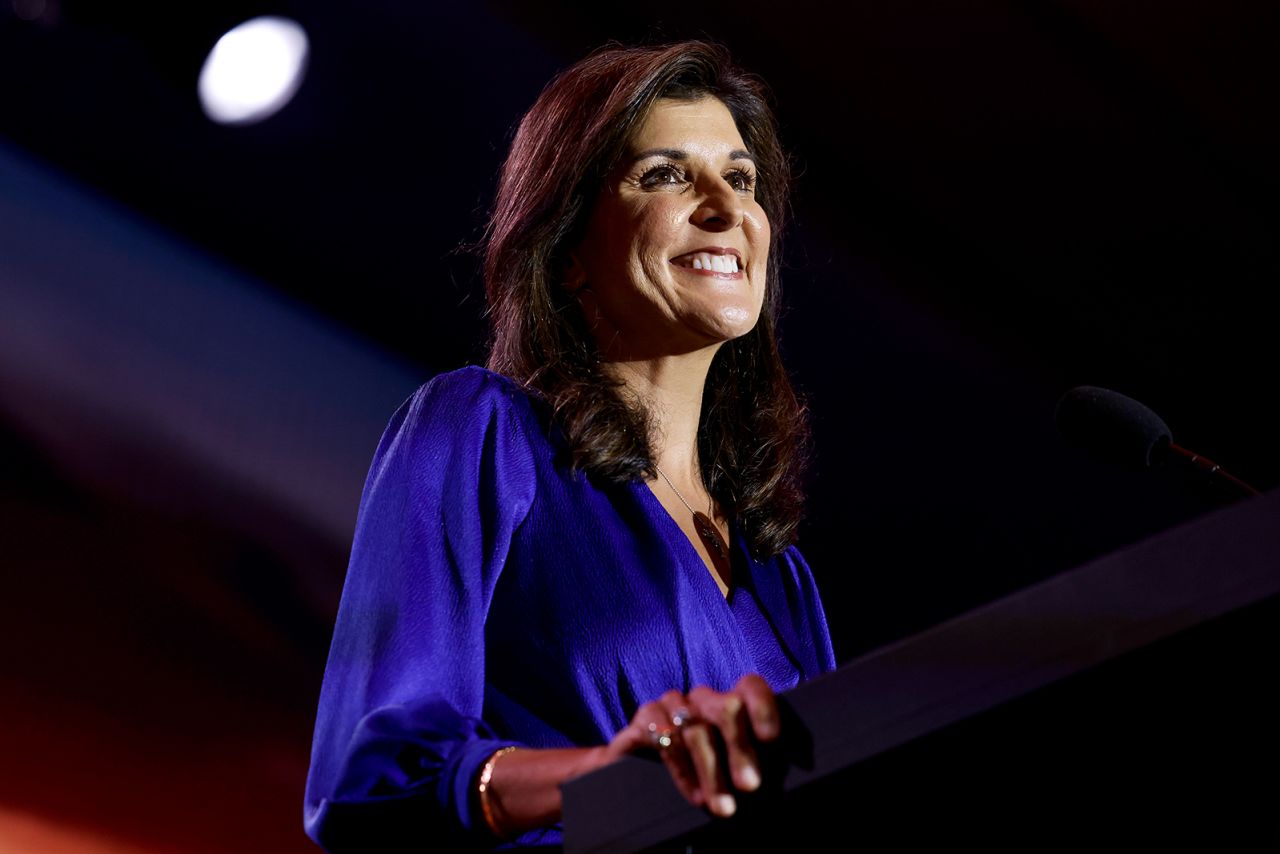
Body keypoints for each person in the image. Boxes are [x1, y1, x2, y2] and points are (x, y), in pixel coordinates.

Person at [303, 40, 835, 850]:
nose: (726, 207)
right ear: (568, 249)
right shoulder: (483, 432)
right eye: (665, 174)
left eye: (741, 178)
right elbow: (368, 777)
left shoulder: (782, 579)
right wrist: (608, 778)